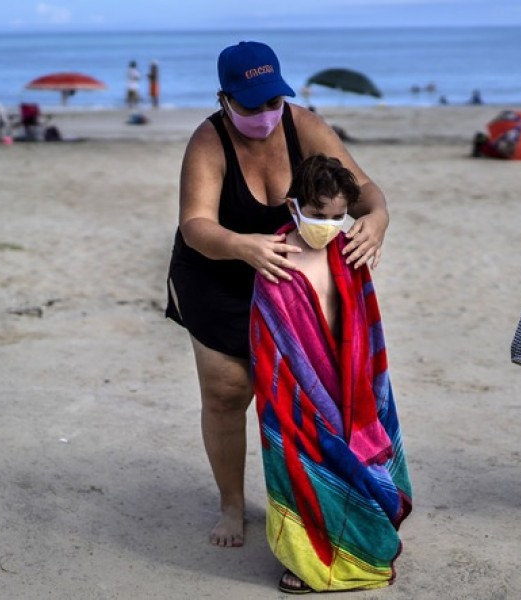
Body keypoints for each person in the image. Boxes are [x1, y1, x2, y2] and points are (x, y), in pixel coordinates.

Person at [164, 40, 390, 549]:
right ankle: (230, 503)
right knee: (227, 392)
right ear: (225, 99)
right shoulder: (208, 141)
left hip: (289, 277)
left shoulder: (302, 124)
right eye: (252, 105)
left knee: (305, 395)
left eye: (273, 101)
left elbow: (366, 189)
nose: (266, 114)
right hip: (217, 273)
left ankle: (313, 498)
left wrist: (378, 220)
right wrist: (241, 246)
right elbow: (195, 224)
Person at [250, 154, 411, 594]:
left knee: (360, 464)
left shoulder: (348, 250)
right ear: (293, 207)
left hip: (350, 383)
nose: (329, 224)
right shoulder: (275, 261)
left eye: (338, 216)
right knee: (302, 468)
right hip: (296, 396)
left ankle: (358, 548)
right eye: (319, 215)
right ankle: (306, 560)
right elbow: (269, 343)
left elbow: (365, 320)